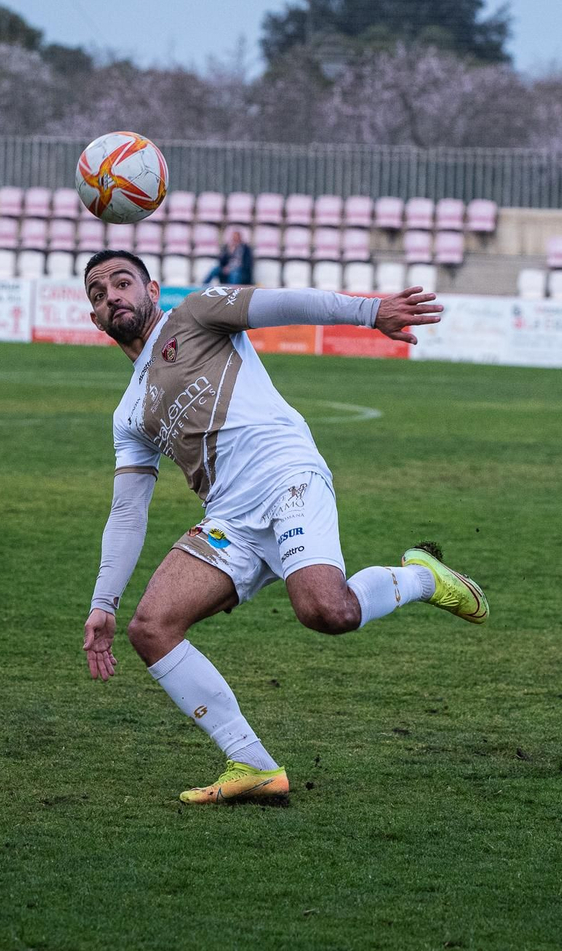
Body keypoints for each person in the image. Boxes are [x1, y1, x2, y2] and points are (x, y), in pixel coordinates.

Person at [79, 250, 488, 805]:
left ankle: (422, 577)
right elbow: (127, 511)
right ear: (95, 319)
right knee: (150, 628)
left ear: (152, 288)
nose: (113, 297)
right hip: (228, 518)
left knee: (327, 612)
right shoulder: (129, 413)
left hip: (285, 474)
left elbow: (284, 304)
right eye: (98, 295)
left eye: (122, 282)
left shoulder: (196, 314)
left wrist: (371, 313)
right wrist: (104, 602)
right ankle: (251, 763)